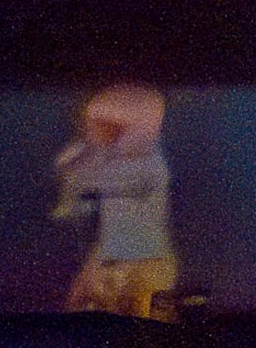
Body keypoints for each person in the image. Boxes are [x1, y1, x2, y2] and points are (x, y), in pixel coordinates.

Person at [52, 83, 177, 320]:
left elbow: (100, 180)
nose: (100, 137)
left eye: (109, 130)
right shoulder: (111, 157)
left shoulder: (150, 167)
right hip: (109, 255)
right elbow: (78, 202)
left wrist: (74, 170)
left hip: (147, 262)